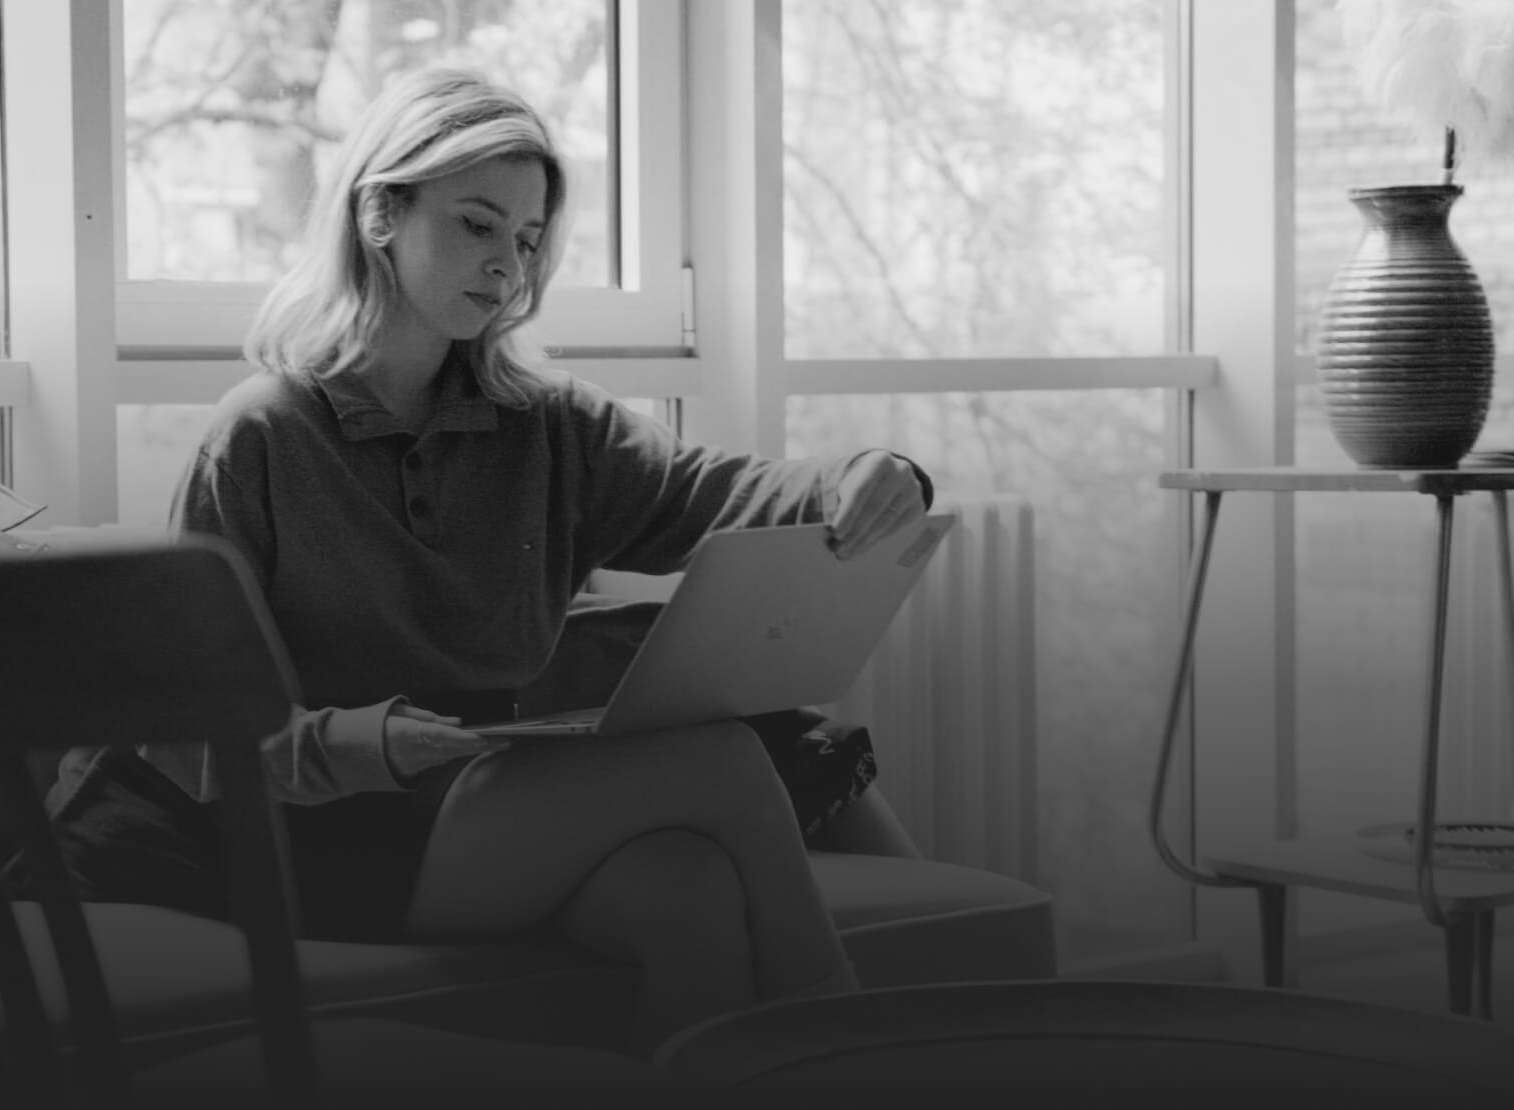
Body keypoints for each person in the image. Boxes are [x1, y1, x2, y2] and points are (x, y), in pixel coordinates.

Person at [46, 67, 934, 1055]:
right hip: (323, 837)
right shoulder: (261, 439)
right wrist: (367, 744)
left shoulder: (545, 424)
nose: (506, 265)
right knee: (719, 760)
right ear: (381, 212)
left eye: (524, 238)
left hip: (480, 801)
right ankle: (865, 1056)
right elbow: (191, 736)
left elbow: (701, 495)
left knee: (690, 897)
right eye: (475, 225)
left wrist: (866, 475)